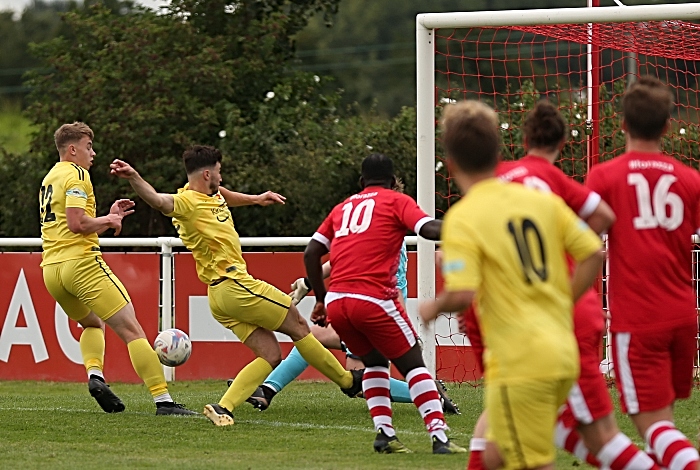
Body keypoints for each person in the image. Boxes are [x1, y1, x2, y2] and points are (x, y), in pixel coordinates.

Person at [465, 101, 660, 470]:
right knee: (508, 423)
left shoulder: (497, 179)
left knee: (597, 436)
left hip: (551, 319)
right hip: (556, 314)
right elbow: (603, 217)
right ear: (564, 142)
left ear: (522, 139)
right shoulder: (554, 182)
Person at [110, 145, 362, 427]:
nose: (221, 175)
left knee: (270, 354)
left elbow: (226, 197)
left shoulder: (212, 193)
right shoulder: (187, 202)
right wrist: (133, 176)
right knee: (299, 326)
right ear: (207, 173)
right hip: (235, 286)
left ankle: (223, 407)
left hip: (219, 298)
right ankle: (348, 381)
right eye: (219, 170)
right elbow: (158, 200)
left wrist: (257, 199)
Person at [419, 100, 605, 470]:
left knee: (532, 462)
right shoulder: (537, 199)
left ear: (451, 164)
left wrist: (433, 307)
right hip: (561, 349)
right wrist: (562, 301)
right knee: (495, 454)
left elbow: (462, 294)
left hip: (520, 361)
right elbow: (594, 253)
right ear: (500, 153)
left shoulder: (464, 217)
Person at [304, 153, 466, 455]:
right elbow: (428, 230)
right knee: (414, 364)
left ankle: (385, 435)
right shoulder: (395, 200)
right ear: (393, 181)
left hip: (338, 301)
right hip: (374, 297)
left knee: (375, 363)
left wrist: (320, 300)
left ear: (361, 182)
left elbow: (311, 252)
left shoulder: (342, 208)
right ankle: (439, 436)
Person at [40, 122, 196, 416]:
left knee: (92, 323)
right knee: (132, 330)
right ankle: (164, 401)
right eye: (88, 147)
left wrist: (106, 216)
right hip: (81, 263)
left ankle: (95, 376)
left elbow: (68, 221)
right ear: (72, 149)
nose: (93, 153)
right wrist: (109, 222)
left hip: (52, 269)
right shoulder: (76, 174)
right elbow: (77, 224)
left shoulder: (50, 176)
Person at [586, 76, 700, 470]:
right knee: (662, 421)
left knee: (651, 425)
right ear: (669, 125)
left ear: (622, 125)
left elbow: (583, 246)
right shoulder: (690, 180)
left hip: (639, 319)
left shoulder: (605, 177)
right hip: (684, 315)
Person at [243, 248, 461, 415]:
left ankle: (428, 393)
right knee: (309, 339)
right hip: (363, 310)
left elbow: (345, 261)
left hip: (373, 316)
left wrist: (310, 282)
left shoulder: (384, 233)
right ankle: (267, 389)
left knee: (359, 383)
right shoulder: (377, 224)